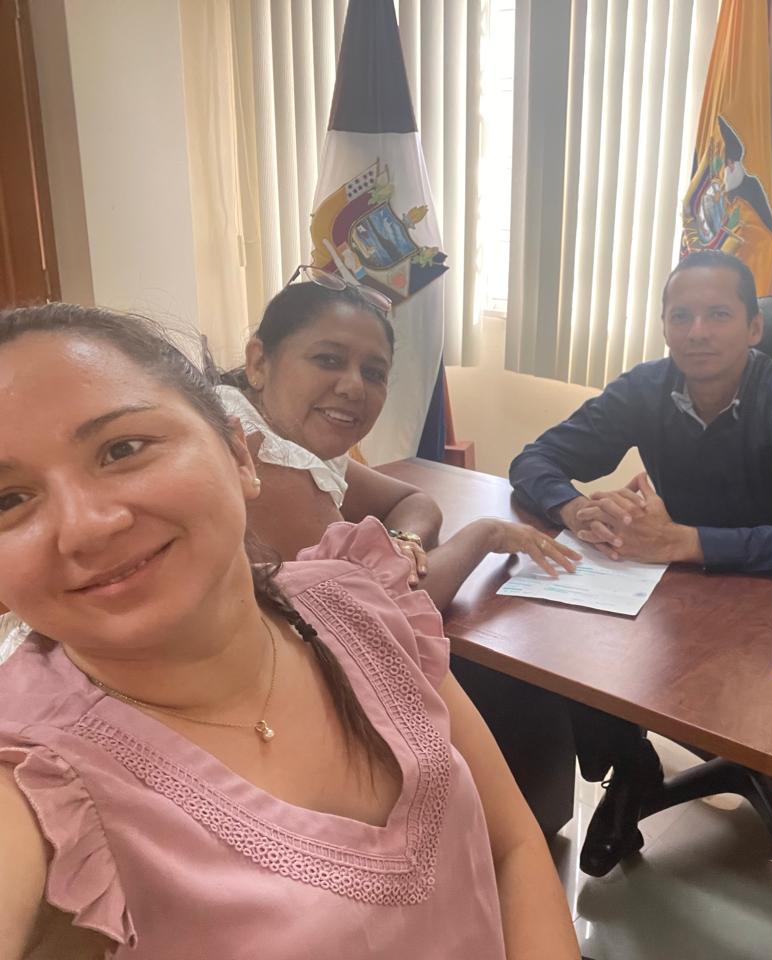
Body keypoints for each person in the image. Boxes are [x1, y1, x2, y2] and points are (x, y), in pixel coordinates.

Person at [0, 304, 580, 960]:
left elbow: (510, 845)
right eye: (7, 500)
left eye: (122, 449)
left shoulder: (348, 603)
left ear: (238, 453)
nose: (87, 526)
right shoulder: (37, 779)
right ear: (259, 365)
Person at [509, 250, 772, 960]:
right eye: (681, 315)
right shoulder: (646, 387)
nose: (697, 331)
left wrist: (685, 541)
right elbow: (534, 460)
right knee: (570, 630)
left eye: (718, 314)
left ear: (754, 328)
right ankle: (632, 767)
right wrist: (575, 508)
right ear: (665, 326)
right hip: (693, 592)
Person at [220, 271, 578, 602]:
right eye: (328, 360)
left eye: (373, 373)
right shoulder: (263, 460)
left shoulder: (283, 434)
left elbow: (413, 502)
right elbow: (383, 611)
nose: (354, 387)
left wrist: (401, 544)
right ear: (258, 362)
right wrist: (486, 534)